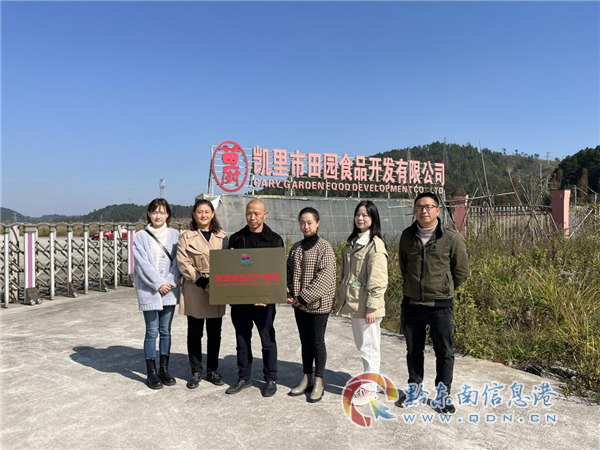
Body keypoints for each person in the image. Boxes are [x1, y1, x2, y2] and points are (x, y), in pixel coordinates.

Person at [396, 192, 469, 414]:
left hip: (440, 305)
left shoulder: (451, 237)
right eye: (419, 207)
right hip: (412, 303)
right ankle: (414, 390)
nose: (424, 211)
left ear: (438, 210)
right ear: (415, 211)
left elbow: (461, 271)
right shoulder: (407, 236)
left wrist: (445, 289)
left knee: (444, 352)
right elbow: (404, 266)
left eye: (429, 206)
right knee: (413, 350)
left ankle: (442, 395)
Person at [226, 199, 284, 397]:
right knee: (242, 341)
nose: (252, 217)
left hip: (264, 302)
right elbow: (229, 268)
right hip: (240, 301)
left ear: (265, 215)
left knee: (267, 340)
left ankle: (270, 378)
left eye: (256, 213)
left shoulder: (274, 240)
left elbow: (278, 272)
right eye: (249, 213)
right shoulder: (236, 239)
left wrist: (269, 296)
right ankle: (244, 377)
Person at [337, 200, 388, 406]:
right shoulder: (354, 242)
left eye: (366, 215)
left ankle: (370, 389)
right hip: (356, 303)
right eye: (358, 214)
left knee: (369, 348)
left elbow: (378, 279)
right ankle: (371, 381)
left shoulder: (375, 245)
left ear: (373, 219)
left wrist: (372, 307)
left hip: (367, 306)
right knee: (363, 345)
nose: (361, 218)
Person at [286, 207, 337, 403]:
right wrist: (288, 292)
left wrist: (303, 297)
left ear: (317, 223)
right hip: (299, 305)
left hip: (318, 305)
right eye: (302, 223)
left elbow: (325, 278)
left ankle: (319, 381)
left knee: (317, 342)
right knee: (305, 342)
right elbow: (288, 272)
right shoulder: (296, 248)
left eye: (309, 222)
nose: (306, 226)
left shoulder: (325, 248)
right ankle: (306, 377)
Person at [177, 199, 227, 389]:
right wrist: (203, 282)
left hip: (218, 287)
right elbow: (183, 263)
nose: (203, 215)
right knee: (194, 332)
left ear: (212, 214)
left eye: (207, 211)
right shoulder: (186, 236)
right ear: (194, 214)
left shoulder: (222, 237)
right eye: (199, 211)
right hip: (195, 287)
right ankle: (196, 371)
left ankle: (212, 370)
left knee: (215, 333)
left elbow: (229, 262)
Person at [133, 198, 181, 390]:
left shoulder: (175, 235)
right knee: (152, 331)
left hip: (169, 290)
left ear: (168, 214)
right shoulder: (140, 236)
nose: (158, 215)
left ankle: (164, 368)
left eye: (162, 212)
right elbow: (141, 265)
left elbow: (178, 262)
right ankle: (151, 372)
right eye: (155, 212)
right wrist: (158, 284)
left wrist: (169, 282)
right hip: (149, 290)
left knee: (166, 330)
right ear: (149, 214)